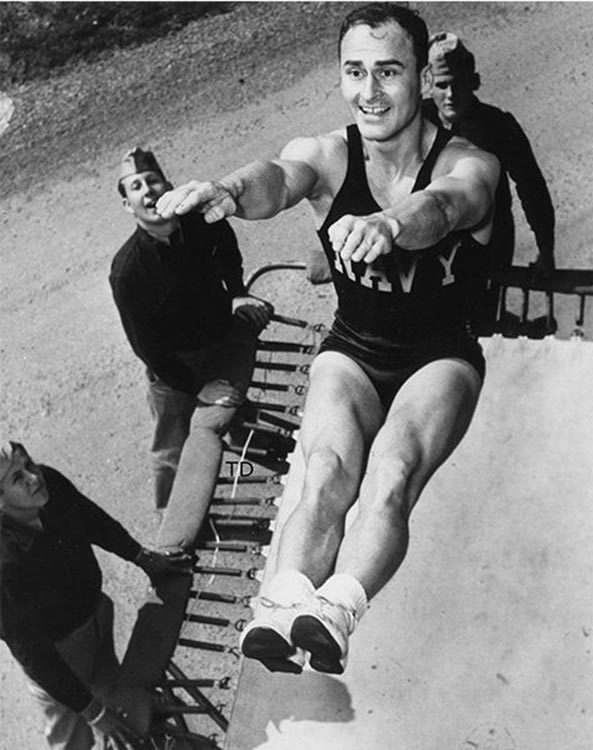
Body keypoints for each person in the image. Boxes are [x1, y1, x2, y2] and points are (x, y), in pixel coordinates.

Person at [154, 2, 499, 675]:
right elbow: (278, 178)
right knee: (325, 472)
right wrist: (227, 190)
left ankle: (337, 610)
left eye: (389, 72)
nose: (369, 92)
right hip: (353, 350)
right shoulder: (328, 153)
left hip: (440, 356)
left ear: (421, 80)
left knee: (391, 468)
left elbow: (449, 205)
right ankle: (284, 607)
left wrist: (393, 224)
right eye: (355, 72)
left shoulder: (471, 162)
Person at [110, 147, 271, 552]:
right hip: (174, 369)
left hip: (217, 339)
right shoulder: (128, 270)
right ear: (127, 204)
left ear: (167, 185)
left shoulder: (200, 221)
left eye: (152, 181)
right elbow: (146, 347)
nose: (147, 190)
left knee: (229, 412)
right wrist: (194, 386)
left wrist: (236, 293)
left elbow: (228, 251)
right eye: (135, 186)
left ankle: (249, 465)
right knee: (171, 446)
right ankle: (174, 527)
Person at [0, 439, 191, 750]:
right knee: (73, 742)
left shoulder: (49, 485)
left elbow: (92, 520)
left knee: (124, 710)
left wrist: (141, 556)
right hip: (59, 658)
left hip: (96, 617)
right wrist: (92, 711)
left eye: (29, 464)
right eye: (17, 479)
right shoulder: (3, 564)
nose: (34, 478)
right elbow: (33, 654)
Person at [421, 31, 556, 329]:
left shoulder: (498, 126)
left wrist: (546, 249)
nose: (451, 95)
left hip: (487, 243)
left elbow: (531, 186)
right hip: (432, 237)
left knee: (477, 321)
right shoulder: (415, 122)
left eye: (459, 84)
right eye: (442, 85)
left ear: (475, 82)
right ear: (427, 85)